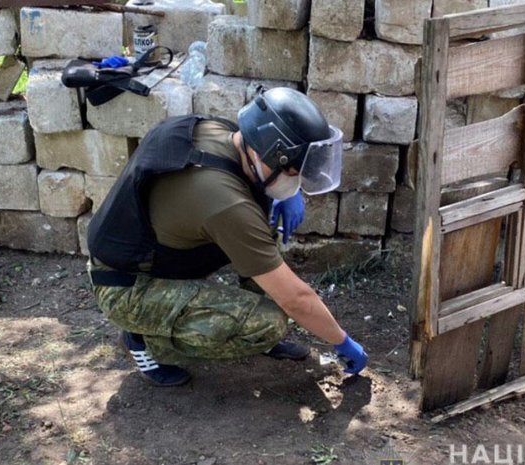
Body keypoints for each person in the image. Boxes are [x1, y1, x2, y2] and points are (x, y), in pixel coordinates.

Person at [86, 87, 368, 386]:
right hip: (127, 288)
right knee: (268, 324)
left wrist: (284, 190)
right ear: (271, 155)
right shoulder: (227, 204)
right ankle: (145, 340)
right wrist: (341, 340)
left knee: (261, 222)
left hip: (155, 252)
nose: (296, 182)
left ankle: (240, 317)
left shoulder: (222, 132)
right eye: (292, 172)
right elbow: (296, 299)